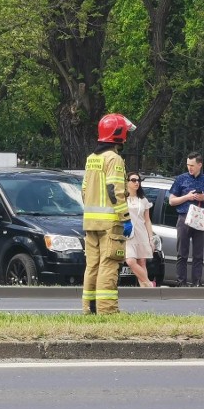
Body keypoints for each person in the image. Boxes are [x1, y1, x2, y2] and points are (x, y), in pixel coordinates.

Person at [82, 113, 135, 314]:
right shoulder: (114, 159)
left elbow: (85, 189)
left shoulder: (91, 159)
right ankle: (107, 310)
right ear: (119, 134)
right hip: (110, 223)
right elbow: (115, 190)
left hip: (91, 222)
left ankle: (89, 309)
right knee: (109, 264)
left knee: (92, 266)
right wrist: (126, 218)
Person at [168, 152, 204, 286]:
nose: (190, 168)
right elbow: (171, 201)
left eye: (192, 165)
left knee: (198, 254)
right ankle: (181, 282)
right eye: (188, 165)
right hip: (184, 218)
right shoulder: (181, 179)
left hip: (200, 218)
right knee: (182, 253)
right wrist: (187, 197)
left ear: (200, 165)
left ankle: (196, 283)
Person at [123, 172, 155, 287]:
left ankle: (145, 289)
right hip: (128, 233)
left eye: (138, 180)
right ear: (127, 182)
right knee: (130, 261)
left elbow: (147, 220)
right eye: (133, 180)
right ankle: (149, 284)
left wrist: (151, 238)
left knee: (142, 262)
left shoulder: (143, 200)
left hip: (141, 233)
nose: (137, 183)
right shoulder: (122, 199)